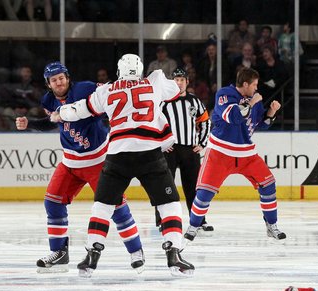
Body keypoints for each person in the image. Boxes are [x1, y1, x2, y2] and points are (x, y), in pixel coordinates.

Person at [51, 54, 194, 277]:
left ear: (118, 71)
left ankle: (92, 255)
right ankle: (173, 252)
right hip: (149, 153)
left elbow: (81, 109)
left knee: (103, 205)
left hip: (118, 154)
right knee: (170, 204)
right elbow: (175, 91)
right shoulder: (154, 80)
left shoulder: (107, 90)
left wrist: (60, 113)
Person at [14, 61, 144, 273]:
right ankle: (60, 253)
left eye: (62, 78)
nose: (59, 82)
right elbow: (53, 121)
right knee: (52, 204)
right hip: (70, 163)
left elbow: (109, 96)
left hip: (98, 161)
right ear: (48, 84)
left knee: (117, 208)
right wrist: (30, 123)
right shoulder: (48, 100)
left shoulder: (85, 89)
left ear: (68, 77)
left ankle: (136, 251)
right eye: (54, 80)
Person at [183, 67, 286, 243]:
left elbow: (260, 123)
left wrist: (271, 113)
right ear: (245, 84)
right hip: (220, 152)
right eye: (254, 84)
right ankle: (193, 226)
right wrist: (252, 103)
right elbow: (233, 117)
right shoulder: (225, 94)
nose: (256, 88)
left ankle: (272, 226)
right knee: (204, 193)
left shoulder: (254, 99)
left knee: (268, 185)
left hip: (247, 154)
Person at [154, 67, 213, 231]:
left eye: (182, 80)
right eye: (176, 80)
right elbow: (153, 122)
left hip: (190, 150)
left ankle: (198, 221)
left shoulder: (195, 101)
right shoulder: (163, 102)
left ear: (187, 82)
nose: (179, 83)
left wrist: (202, 143)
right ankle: (162, 221)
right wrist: (161, 143)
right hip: (169, 150)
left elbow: (205, 121)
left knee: (194, 187)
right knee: (164, 186)